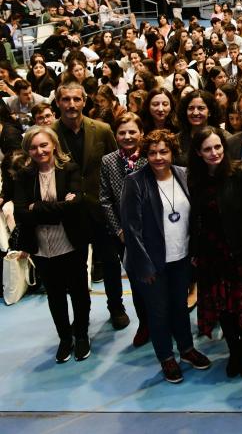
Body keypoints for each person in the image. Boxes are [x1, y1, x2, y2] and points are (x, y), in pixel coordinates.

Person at [121, 130, 211, 384]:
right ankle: (166, 357)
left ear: (172, 152)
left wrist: (194, 252)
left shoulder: (183, 174)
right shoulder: (135, 181)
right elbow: (131, 228)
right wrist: (143, 265)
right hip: (152, 262)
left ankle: (186, 349)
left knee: (180, 307)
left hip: (181, 257)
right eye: (152, 152)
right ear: (145, 155)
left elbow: (194, 219)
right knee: (159, 312)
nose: (158, 157)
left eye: (163, 151)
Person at [187, 126, 242, 378]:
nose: (214, 153)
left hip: (239, 251)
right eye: (207, 149)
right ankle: (235, 351)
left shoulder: (239, 172)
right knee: (224, 309)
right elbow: (195, 219)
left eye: (218, 147)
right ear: (199, 153)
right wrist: (195, 251)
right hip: (211, 255)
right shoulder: (195, 178)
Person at [14, 126, 90, 363]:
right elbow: (20, 213)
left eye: (44, 145)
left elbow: (76, 206)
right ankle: (65, 338)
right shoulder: (23, 176)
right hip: (41, 248)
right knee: (55, 296)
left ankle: (81, 335)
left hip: (70, 243)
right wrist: (59, 208)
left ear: (54, 145)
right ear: (28, 151)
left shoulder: (70, 169)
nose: (40, 150)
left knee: (78, 292)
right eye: (34, 147)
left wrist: (36, 208)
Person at [51, 82, 120, 327]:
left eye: (76, 99)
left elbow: (116, 166)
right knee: (77, 270)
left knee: (111, 263)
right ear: (58, 102)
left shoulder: (102, 130)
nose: (71, 104)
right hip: (69, 213)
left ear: (84, 102)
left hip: (101, 209)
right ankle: (83, 317)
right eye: (66, 99)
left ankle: (117, 307)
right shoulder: (48, 134)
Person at [99, 113, 149, 347]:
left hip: (152, 232)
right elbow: (105, 199)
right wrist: (119, 230)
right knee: (137, 283)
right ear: (115, 135)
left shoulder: (151, 156)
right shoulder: (108, 161)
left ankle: (165, 322)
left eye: (132, 132)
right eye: (122, 132)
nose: (127, 137)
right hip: (123, 235)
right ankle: (145, 324)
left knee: (158, 280)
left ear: (141, 133)